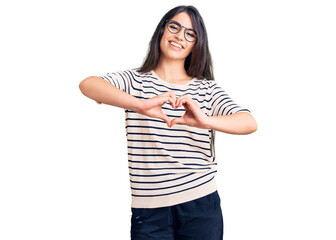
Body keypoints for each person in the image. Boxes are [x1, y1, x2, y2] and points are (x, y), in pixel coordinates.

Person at [79, 5, 257, 240]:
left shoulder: (206, 88)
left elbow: (248, 122)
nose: (179, 36)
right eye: (174, 26)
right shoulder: (135, 81)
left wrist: (205, 121)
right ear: (162, 30)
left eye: (190, 34)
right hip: (149, 209)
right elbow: (88, 85)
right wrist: (140, 104)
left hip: (200, 203)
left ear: (196, 44)